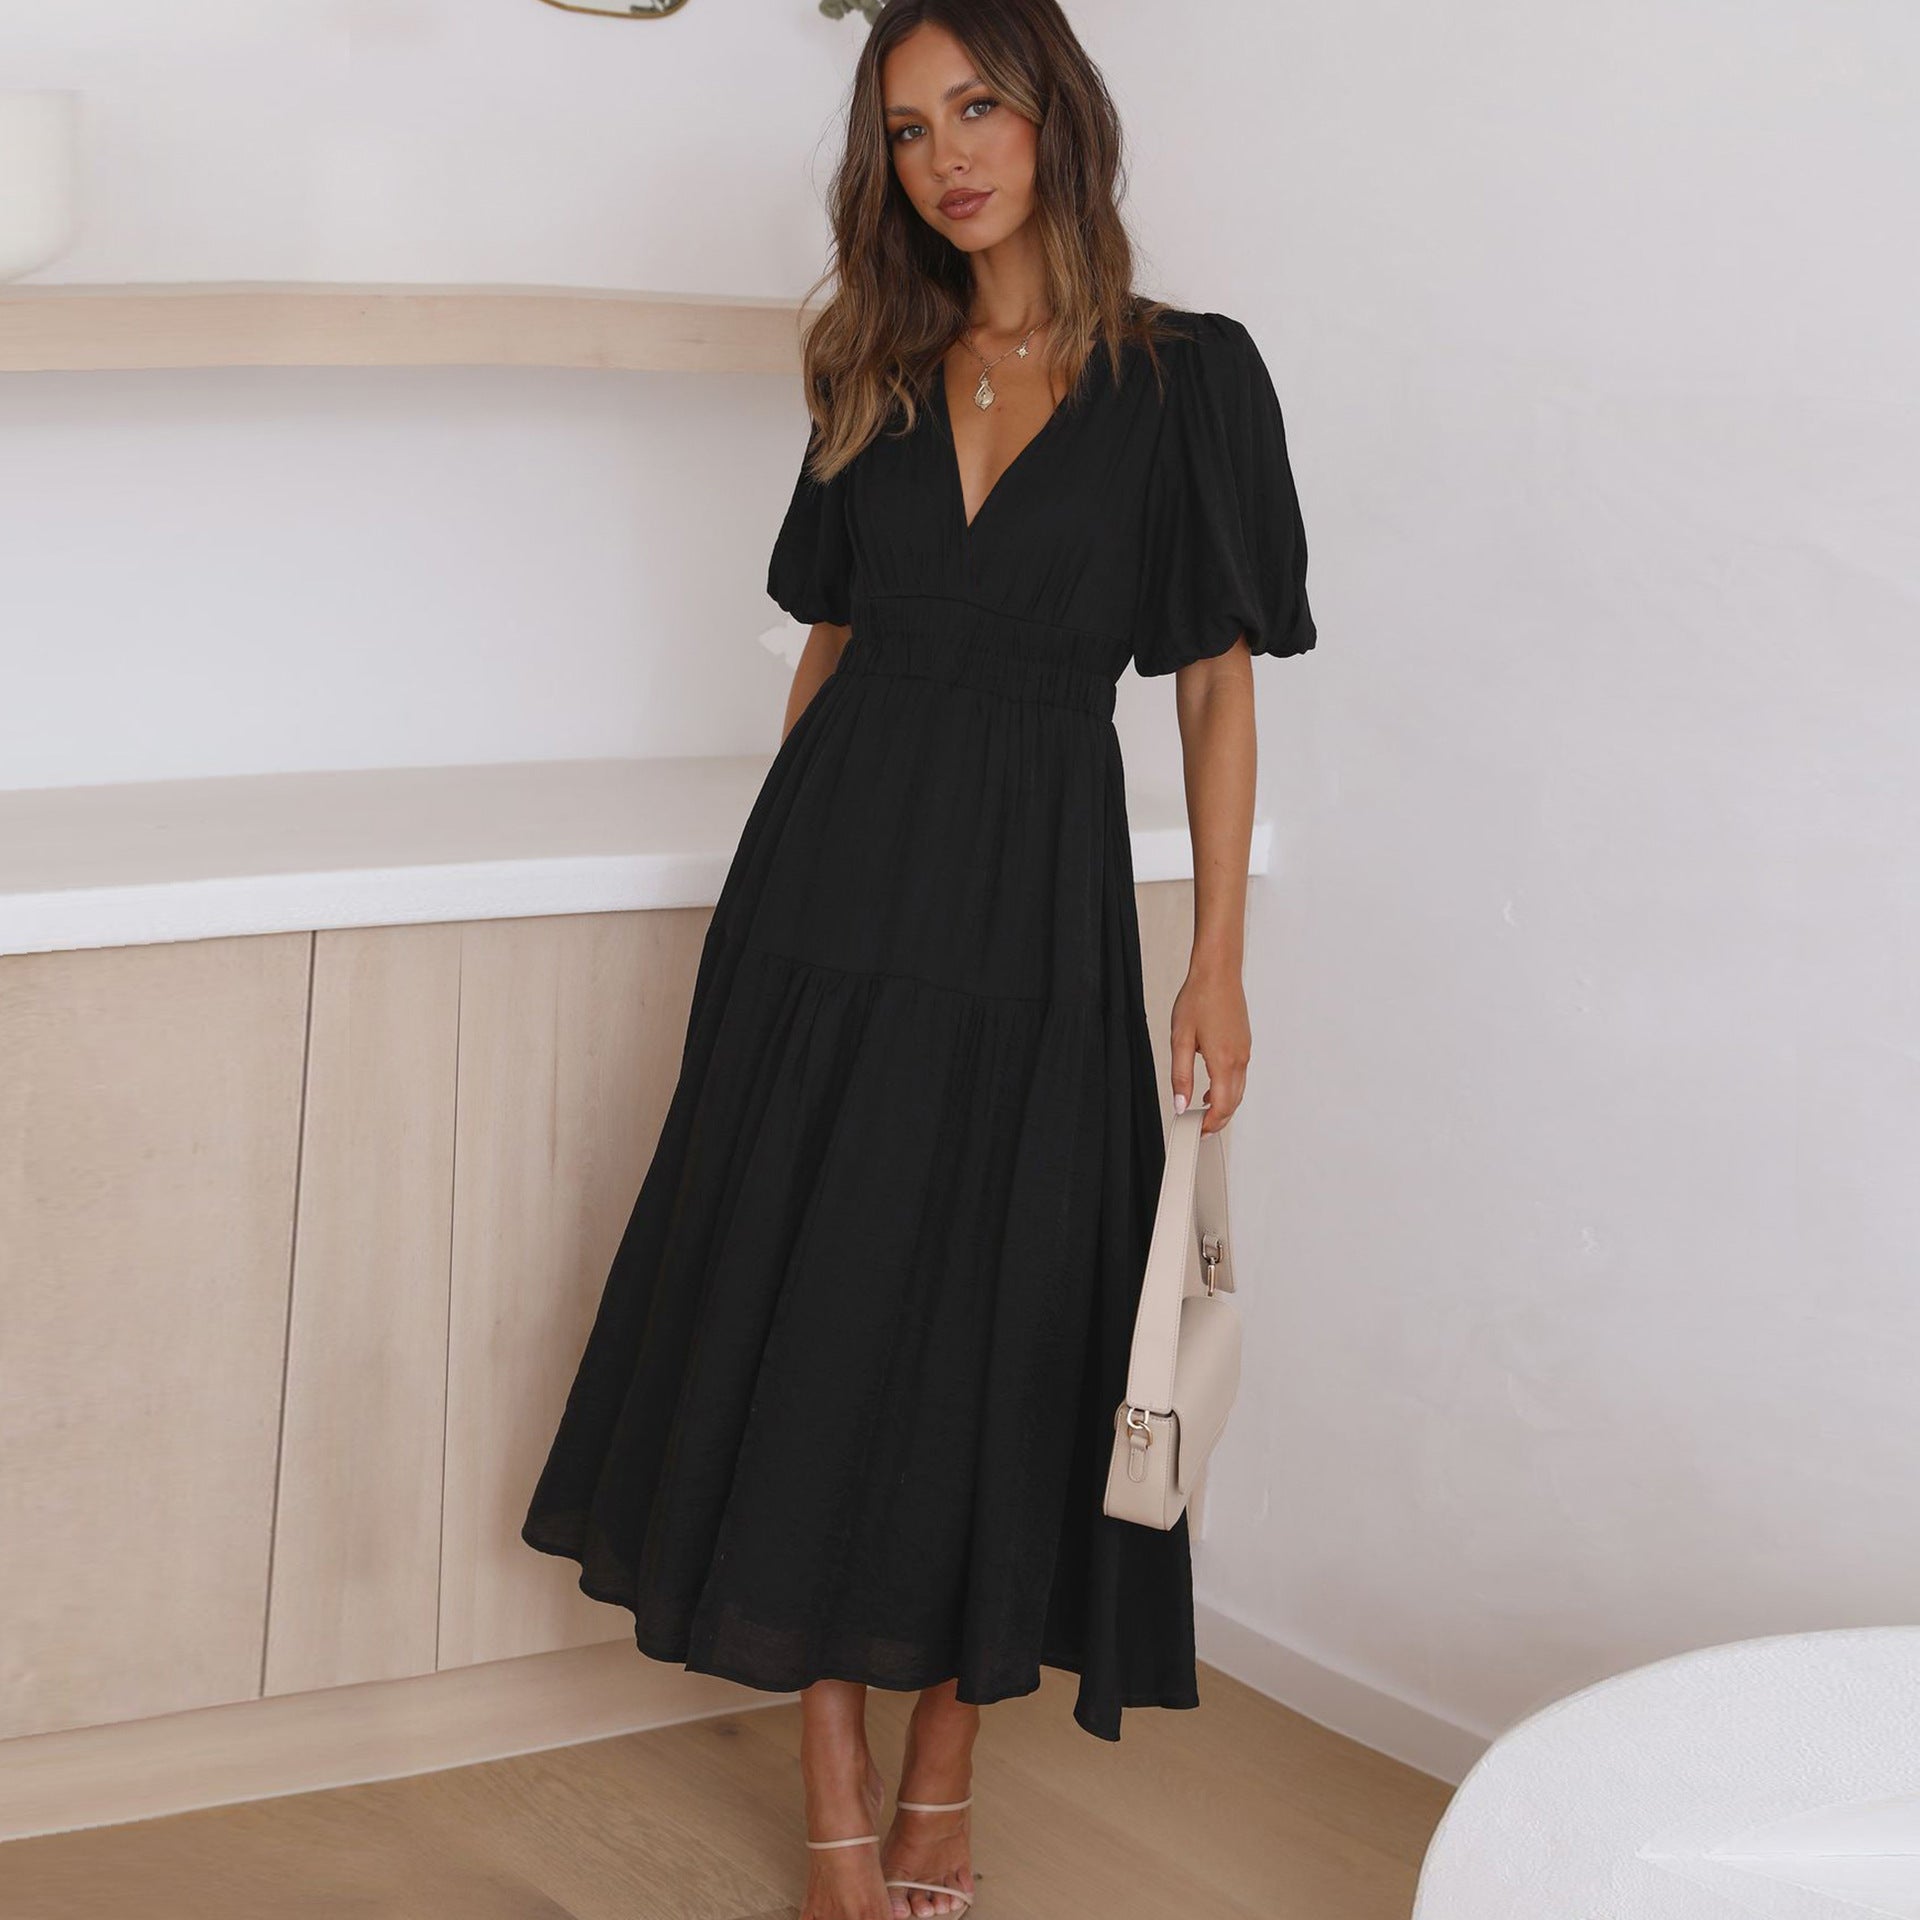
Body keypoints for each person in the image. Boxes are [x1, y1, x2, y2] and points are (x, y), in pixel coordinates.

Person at [520, 2, 1317, 1914]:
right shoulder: (870, 365)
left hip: (1037, 901)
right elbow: (833, 646)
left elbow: (1216, 686)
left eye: (977, 108)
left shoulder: (1190, 377)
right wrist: (764, 921)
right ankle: (833, 1786)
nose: (945, 155)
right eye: (904, 127)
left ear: (1057, 118)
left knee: (1011, 1324)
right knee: (819, 1301)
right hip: (827, 890)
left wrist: (1214, 960)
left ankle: (944, 1775)